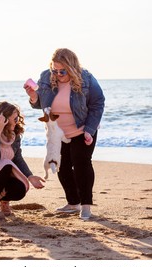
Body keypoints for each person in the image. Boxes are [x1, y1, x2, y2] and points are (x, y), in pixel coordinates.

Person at [24, 48, 105, 220]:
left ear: (72, 67)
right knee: (61, 166)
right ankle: (73, 203)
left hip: (82, 129)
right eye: (55, 70)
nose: (58, 74)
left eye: (63, 71)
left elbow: (98, 103)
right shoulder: (46, 77)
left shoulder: (87, 79)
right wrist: (33, 97)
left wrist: (90, 130)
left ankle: (86, 206)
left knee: (81, 164)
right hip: (57, 132)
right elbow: (40, 103)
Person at [0, 101, 45, 220]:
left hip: (4, 182)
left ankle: (4, 202)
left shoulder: (14, 135)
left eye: (17, 118)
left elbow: (18, 158)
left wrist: (30, 176)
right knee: (6, 164)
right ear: (4, 119)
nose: (17, 121)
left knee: (20, 189)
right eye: (14, 119)